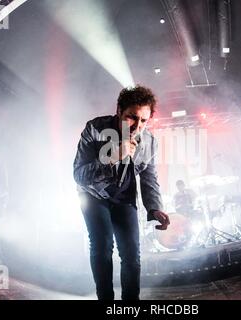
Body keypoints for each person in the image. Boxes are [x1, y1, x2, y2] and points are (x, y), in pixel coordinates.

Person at [73, 85, 170, 300]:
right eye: (132, 117)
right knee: (102, 245)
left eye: (144, 121)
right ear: (119, 110)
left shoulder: (149, 142)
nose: (137, 126)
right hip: (93, 195)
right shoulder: (95, 129)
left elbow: (149, 178)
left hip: (124, 197)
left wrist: (155, 208)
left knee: (132, 255)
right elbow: (79, 174)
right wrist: (113, 156)